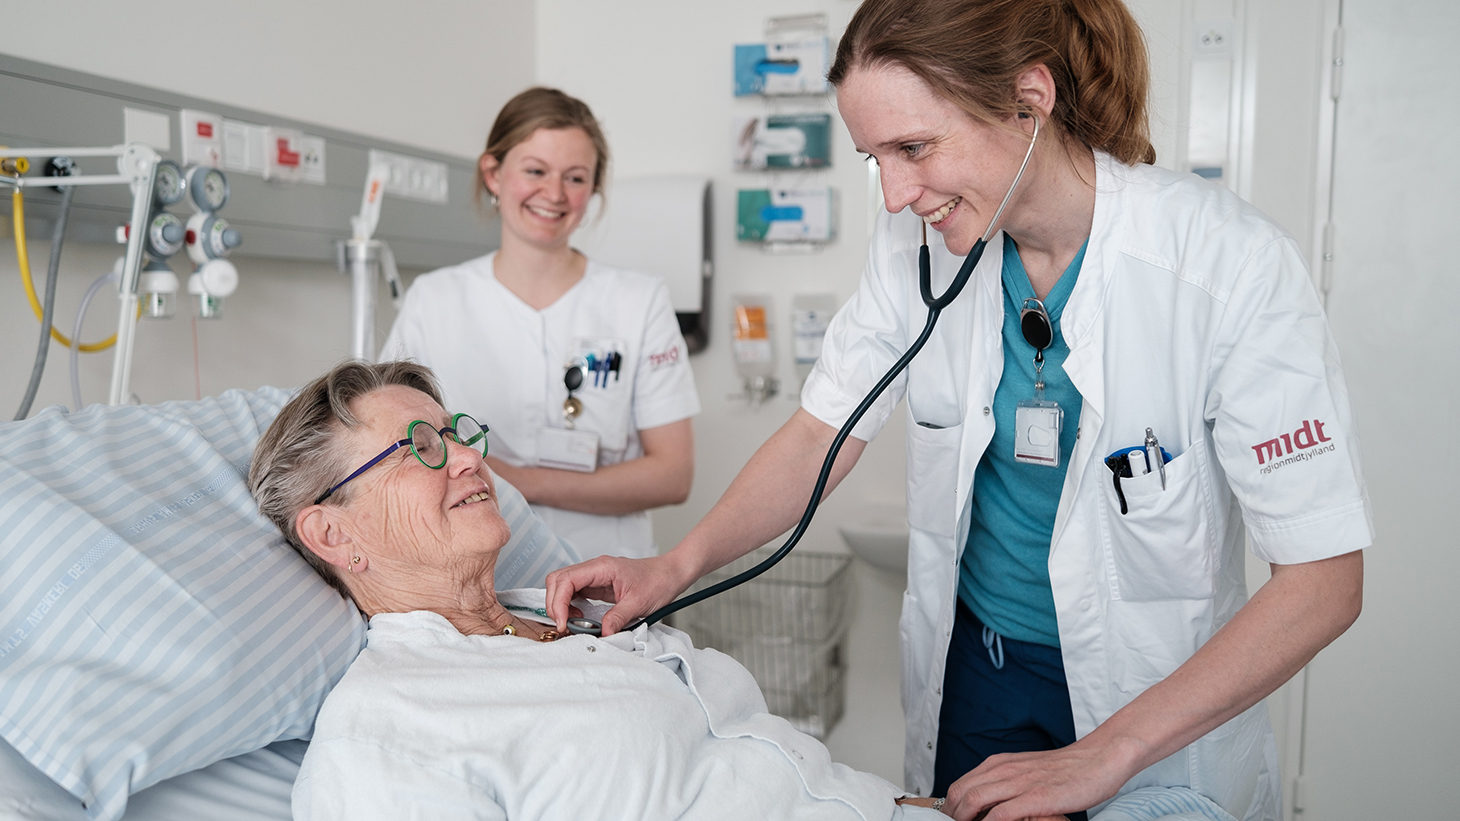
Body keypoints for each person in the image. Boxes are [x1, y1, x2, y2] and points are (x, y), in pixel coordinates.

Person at [544, 2, 1370, 820]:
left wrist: (1105, 752)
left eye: (914, 148)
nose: (899, 195)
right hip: (980, 672)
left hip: (1155, 694)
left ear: (1030, 99)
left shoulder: (1229, 267)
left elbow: (1324, 579)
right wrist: (673, 568)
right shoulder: (915, 249)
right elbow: (820, 434)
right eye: (877, 161)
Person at [246, 359, 955, 820]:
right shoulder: (385, 740)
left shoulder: (568, 617)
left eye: (457, 435)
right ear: (333, 534)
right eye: (421, 448)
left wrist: (932, 809)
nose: (469, 458)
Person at [381, 86, 699, 562]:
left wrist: (518, 479)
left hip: (605, 572)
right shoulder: (435, 299)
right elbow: (392, 446)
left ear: (593, 189)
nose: (553, 194)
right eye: (535, 171)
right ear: (494, 173)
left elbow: (673, 475)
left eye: (575, 178)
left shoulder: (640, 300)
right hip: (472, 566)